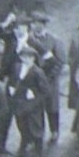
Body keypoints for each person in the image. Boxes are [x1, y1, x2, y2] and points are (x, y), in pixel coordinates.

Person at [7, 44, 50, 157]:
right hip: (19, 105)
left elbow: (45, 92)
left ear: (33, 58)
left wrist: (33, 97)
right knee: (22, 128)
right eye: (23, 56)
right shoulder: (17, 67)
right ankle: (22, 151)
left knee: (36, 132)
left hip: (33, 108)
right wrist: (12, 90)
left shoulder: (38, 72)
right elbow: (13, 81)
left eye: (29, 57)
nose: (26, 59)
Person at [31, 11, 66, 142]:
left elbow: (61, 61)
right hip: (34, 80)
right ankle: (38, 133)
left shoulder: (53, 40)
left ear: (43, 25)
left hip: (50, 80)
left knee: (52, 107)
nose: (34, 26)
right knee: (36, 108)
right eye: (33, 23)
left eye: (37, 23)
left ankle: (54, 131)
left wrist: (51, 76)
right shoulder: (29, 39)